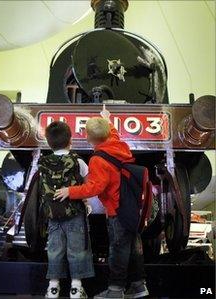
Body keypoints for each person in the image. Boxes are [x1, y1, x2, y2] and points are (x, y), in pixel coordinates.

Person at [54, 107, 149, 299]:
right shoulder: (118, 145)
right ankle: (139, 287)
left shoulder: (98, 160)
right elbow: (111, 133)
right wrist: (106, 118)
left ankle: (115, 290)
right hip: (131, 206)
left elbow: (93, 188)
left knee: (118, 250)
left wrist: (69, 191)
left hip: (117, 210)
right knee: (133, 248)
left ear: (88, 137)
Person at [43, 121, 94, 299]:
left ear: (48, 142)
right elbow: (87, 186)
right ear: (70, 140)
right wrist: (86, 203)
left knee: (54, 249)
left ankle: (53, 287)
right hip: (75, 213)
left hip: (53, 214)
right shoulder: (78, 161)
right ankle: (76, 288)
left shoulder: (44, 163)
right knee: (77, 249)